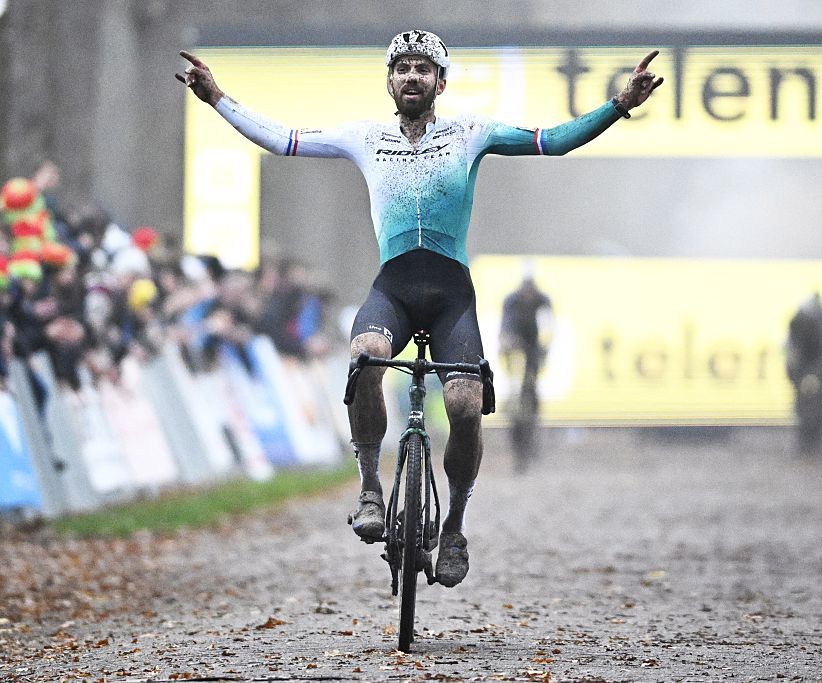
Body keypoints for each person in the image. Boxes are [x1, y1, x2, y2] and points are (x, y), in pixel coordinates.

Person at [177, 31, 663, 587]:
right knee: (364, 358)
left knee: (462, 405)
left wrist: (619, 105)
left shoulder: (471, 133)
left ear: (441, 82)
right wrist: (217, 99)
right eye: (402, 68)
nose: (412, 77)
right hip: (395, 288)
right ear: (389, 81)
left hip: (451, 293)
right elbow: (282, 140)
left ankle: (453, 525)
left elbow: (552, 141)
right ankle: (369, 489)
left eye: (423, 69)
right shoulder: (364, 136)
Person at [499, 271, 552, 466]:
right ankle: (514, 411)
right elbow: (505, 328)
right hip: (514, 346)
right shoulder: (512, 302)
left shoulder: (542, 301)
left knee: (531, 390)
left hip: (533, 347)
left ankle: (531, 418)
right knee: (515, 392)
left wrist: (544, 349)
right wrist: (507, 344)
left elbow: (548, 328)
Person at [784, 293, 822, 454]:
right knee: (807, 407)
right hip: (808, 369)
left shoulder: (815, 325)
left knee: (815, 407)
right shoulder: (801, 326)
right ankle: (807, 442)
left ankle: (812, 442)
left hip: (816, 370)